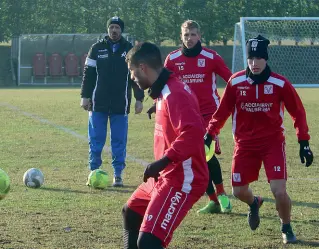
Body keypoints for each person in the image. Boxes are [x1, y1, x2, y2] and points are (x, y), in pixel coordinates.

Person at [204, 35, 314, 244]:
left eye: (259, 58)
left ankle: (286, 227)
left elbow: (298, 112)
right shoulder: (235, 82)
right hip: (244, 145)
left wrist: (304, 142)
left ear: (266, 59)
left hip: (272, 143)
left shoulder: (280, 83)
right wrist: (210, 134)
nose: (254, 63)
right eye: (251, 58)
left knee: (279, 191)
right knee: (238, 191)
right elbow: (222, 112)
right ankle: (255, 203)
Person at [122, 42, 208, 249]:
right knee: (131, 213)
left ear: (143, 67)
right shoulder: (165, 90)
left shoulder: (174, 93)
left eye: (133, 73)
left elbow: (194, 132)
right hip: (165, 175)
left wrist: (162, 162)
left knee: (149, 243)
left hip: (183, 178)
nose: (133, 78)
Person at [163, 20, 232, 214]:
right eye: (186, 35)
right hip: (185, 116)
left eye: (193, 35)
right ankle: (213, 200)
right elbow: (164, 84)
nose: (190, 39)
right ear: (181, 37)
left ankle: (222, 195)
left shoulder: (211, 57)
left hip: (209, 114)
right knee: (195, 157)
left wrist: (239, 99)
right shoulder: (172, 59)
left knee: (206, 154)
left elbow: (231, 80)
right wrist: (156, 104)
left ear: (199, 36)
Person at [80, 16, 144, 187]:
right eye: (111, 28)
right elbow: (88, 75)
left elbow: (136, 76)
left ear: (121, 30)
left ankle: (118, 174)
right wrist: (84, 96)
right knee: (96, 139)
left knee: (119, 140)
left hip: (120, 104)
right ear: (108, 30)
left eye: (117, 28)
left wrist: (139, 99)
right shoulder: (96, 48)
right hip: (97, 102)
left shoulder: (129, 49)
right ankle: (94, 171)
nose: (114, 31)